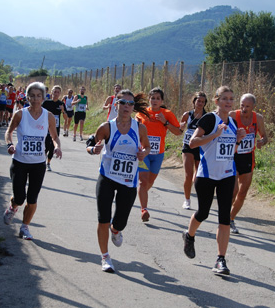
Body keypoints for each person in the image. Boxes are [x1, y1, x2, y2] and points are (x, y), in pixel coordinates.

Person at [182, 86, 246, 276]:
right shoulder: (210, 119)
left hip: (226, 175)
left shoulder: (233, 123)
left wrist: (238, 140)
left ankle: (220, 259)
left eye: (231, 98)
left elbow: (230, 151)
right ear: (216, 100)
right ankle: (189, 235)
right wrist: (214, 134)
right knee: (203, 213)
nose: (228, 101)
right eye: (224, 98)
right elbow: (192, 143)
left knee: (224, 217)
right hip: (206, 175)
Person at [87, 89, 150, 273]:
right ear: (116, 104)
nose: (127, 107)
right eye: (123, 103)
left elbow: (147, 147)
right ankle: (105, 257)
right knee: (103, 219)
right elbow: (90, 145)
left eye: (130, 104)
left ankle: (116, 230)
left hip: (128, 181)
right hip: (107, 178)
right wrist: (94, 150)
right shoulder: (107, 127)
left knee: (119, 222)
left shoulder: (139, 128)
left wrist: (143, 153)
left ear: (133, 108)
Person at [3, 81, 62, 240]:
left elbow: (55, 136)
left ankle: (25, 227)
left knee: (32, 198)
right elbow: (9, 132)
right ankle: (13, 206)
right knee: (20, 197)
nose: (35, 99)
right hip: (20, 162)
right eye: (32, 96)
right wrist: (10, 144)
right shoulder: (20, 114)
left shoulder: (48, 116)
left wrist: (57, 147)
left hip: (38, 164)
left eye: (39, 96)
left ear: (43, 97)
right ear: (27, 97)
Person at [136, 87, 182, 222]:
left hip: (158, 154)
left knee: (150, 181)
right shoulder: (142, 113)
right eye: (152, 98)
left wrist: (165, 122)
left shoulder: (167, 114)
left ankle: (142, 192)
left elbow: (178, 132)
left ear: (162, 100)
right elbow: (134, 129)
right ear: (149, 99)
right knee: (143, 181)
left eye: (158, 98)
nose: (155, 101)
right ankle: (144, 209)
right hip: (144, 153)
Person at [229, 93, 268, 234]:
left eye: (247, 106)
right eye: (242, 105)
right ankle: (224, 219)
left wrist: (262, 142)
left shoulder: (258, 118)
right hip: (232, 157)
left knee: (242, 192)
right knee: (233, 191)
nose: (244, 109)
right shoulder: (232, 116)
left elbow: (265, 136)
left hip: (248, 158)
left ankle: (230, 219)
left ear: (253, 107)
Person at [179, 91, 208, 209]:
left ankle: (201, 200)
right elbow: (180, 129)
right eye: (198, 101)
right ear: (194, 101)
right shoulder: (188, 114)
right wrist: (180, 127)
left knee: (197, 177)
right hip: (187, 147)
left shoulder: (207, 117)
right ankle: (187, 200)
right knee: (188, 174)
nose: (200, 103)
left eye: (202, 101)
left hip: (200, 148)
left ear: (205, 103)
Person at [42, 85, 65, 171]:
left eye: (58, 92)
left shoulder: (61, 104)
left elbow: (66, 118)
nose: (56, 94)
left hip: (56, 128)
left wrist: (63, 111)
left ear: (60, 94)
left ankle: (48, 163)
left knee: (52, 146)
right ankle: (42, 161)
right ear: (51, 92)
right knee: (46, 145)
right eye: (54, 92)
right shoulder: (46, 103)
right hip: (46, 127)